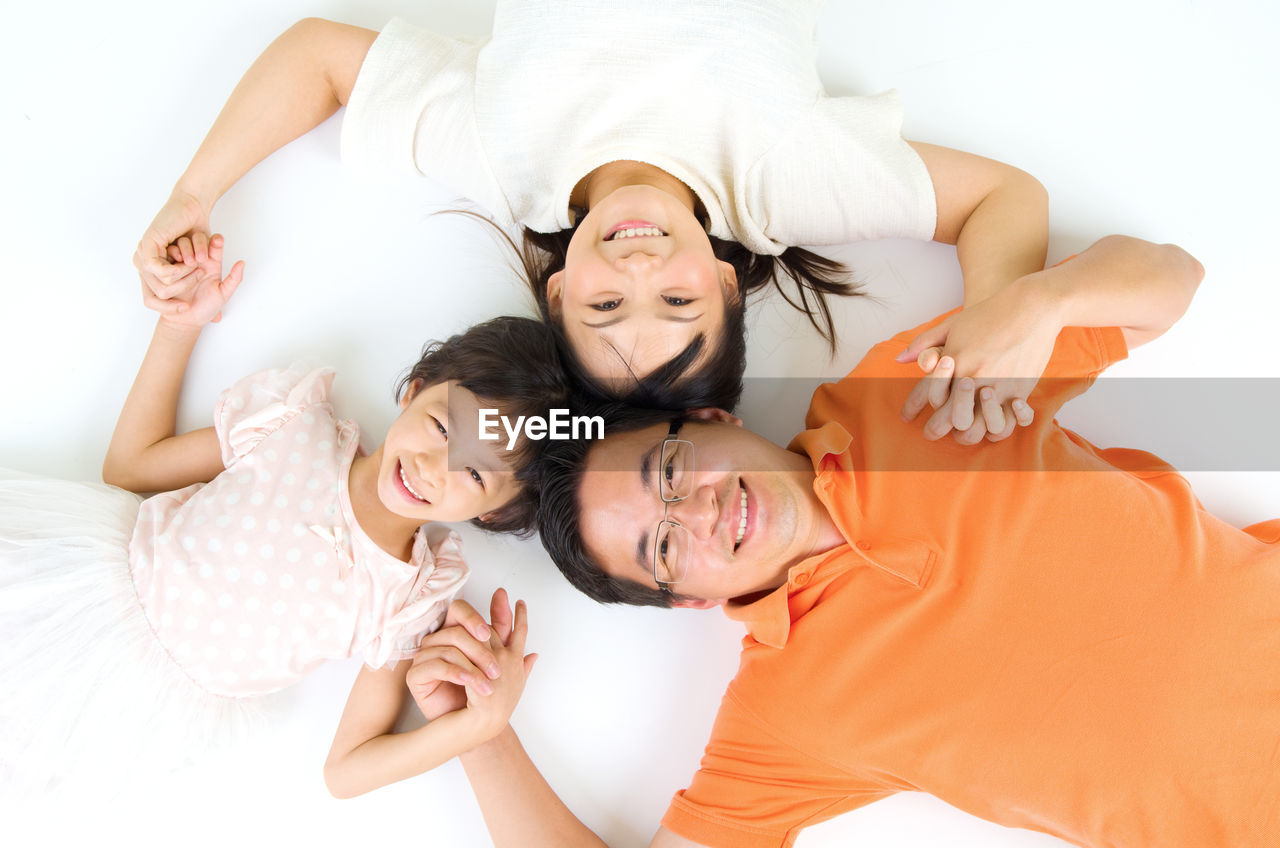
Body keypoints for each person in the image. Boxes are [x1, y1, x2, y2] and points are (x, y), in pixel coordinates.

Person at [408, 235, 1279, 847]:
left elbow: (1172, 283)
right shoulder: (785, 718)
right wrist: (480, 739)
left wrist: (1034, 303)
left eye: (671, 474)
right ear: (691, 600)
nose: (700, 514)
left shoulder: (902, 398)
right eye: (664, 549)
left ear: (710, 418)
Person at [134, 2, 1050, 425]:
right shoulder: (781, 184)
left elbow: (321, 58)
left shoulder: (507, 161)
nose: (641, 274)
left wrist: (192, 194)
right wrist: (1002, 311)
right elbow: (1006, 198)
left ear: (562, 287)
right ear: (729, 286)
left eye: (607, 307)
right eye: (680, 305)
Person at [0, 237, 550, 796]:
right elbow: (130, 469)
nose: (436, 468)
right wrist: (179, 326)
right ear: (414, 391)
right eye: (441, 427)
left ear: (493, 512)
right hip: (80, 589)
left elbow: (347, 771)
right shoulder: (294, 425)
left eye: (476, 475)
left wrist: (478, 725)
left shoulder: (408, 598)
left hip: (136, 706)